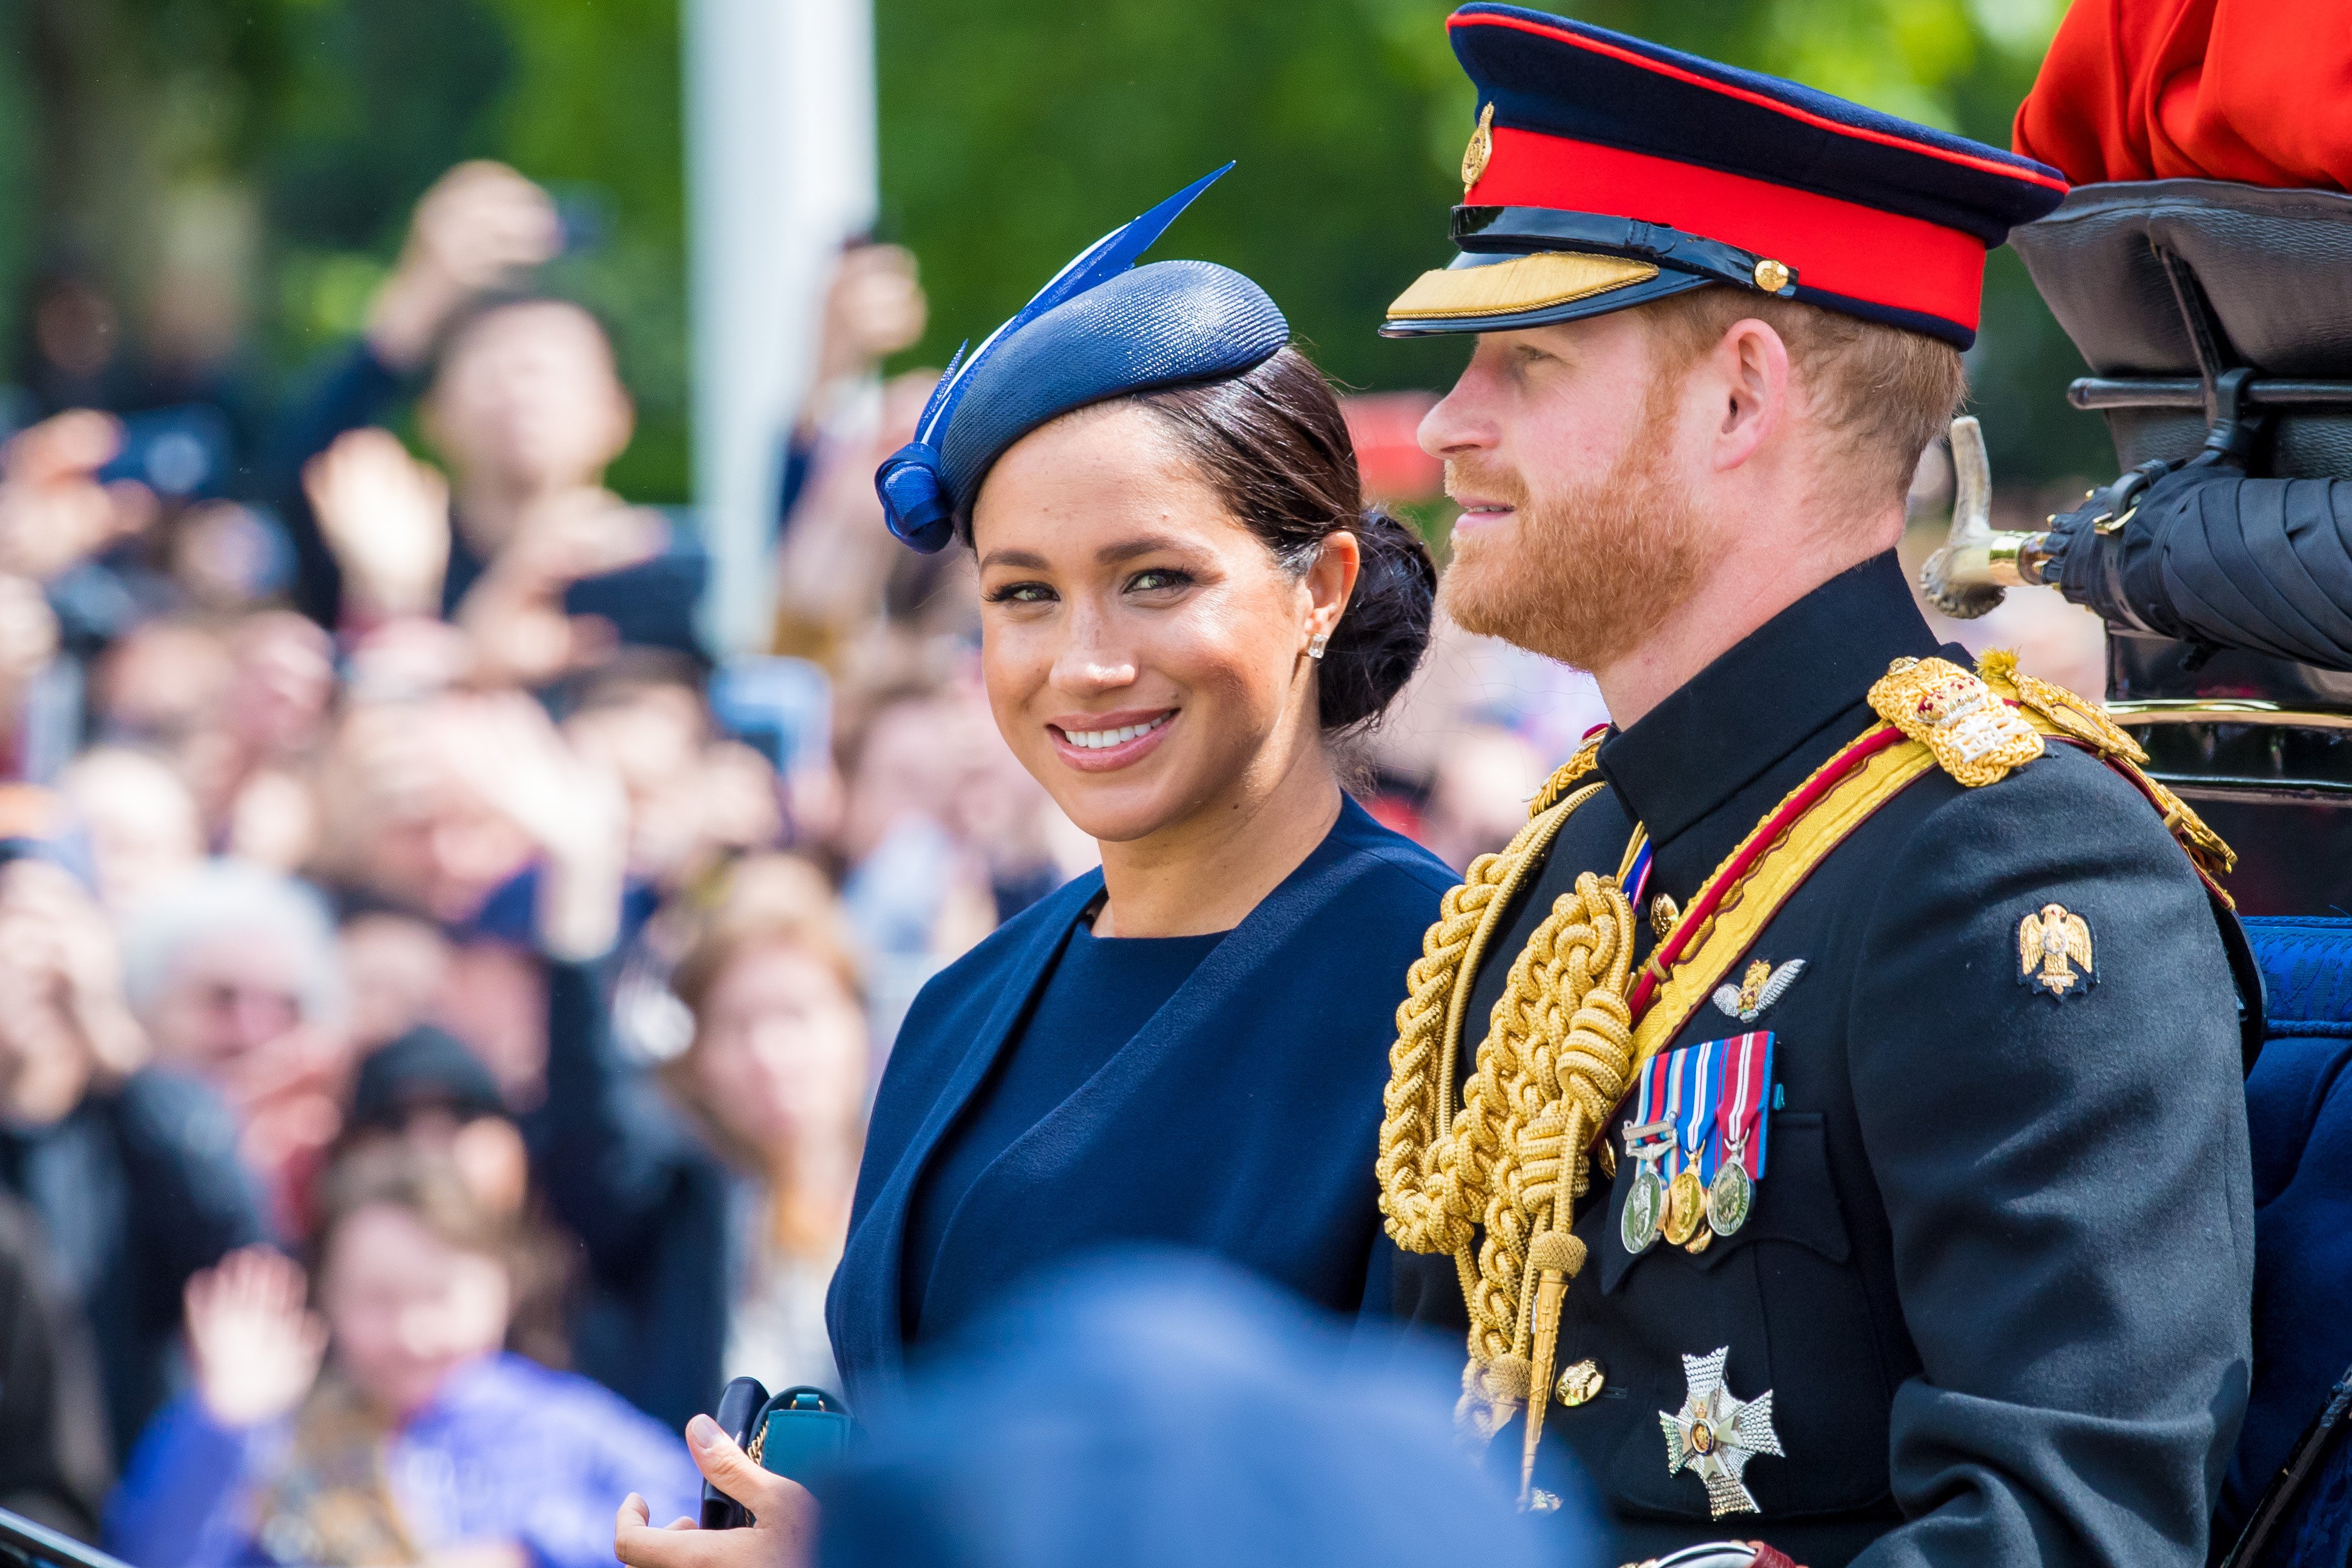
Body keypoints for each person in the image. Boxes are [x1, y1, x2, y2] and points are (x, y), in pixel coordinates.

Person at [1368, 9, 2253, 1567]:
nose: (1449, 426)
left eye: (1525, 360)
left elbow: (2063, 1531)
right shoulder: (1579, 853)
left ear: (1740, 397)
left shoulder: (2011, 862)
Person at [614, 168, 1452, 1566]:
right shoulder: (963, 1009)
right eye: (1023, 595)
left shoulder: (1445, 987)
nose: (1086, 662)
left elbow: (1418, 1521)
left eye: (1156, 579)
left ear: (1318, 588)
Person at [105, 1146, 700, 1568]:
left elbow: (692, 1519)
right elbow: (149, 1553)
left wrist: (531, 1551)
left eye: (440, 1294)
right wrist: (219, 1426)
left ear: (504, 1285)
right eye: (377, 1297)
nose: (413, 1331)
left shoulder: (560, 1418)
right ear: (327, 1295)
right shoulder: (272, 1429)